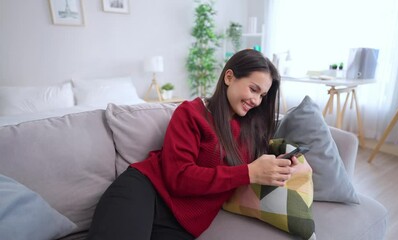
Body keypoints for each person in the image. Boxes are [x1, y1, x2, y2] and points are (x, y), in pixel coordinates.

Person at [87, 49, 298, 240]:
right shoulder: (191, 113)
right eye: (253, 89)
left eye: (262, 95)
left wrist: (276, 165)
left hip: (184, 225)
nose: (257, 101)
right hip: (146, 191)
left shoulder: (252, 130)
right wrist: (249, 172)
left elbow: (252, 167)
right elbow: (179, 177)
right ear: (229, 77)